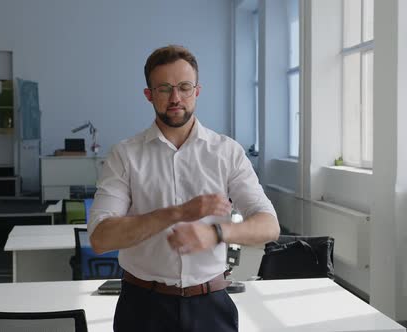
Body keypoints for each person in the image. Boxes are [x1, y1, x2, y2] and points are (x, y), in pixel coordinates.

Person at [88, 45, 280, 332]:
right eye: (164, 89)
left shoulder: (227, 152)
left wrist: (216, 233)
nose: (175, 98)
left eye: (184, 87)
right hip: (142, 308)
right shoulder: (124, 155)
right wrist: (177, 213)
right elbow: (100, 238)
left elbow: (269, 226)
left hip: (211, 305)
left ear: (197, 91)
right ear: (149, 95)